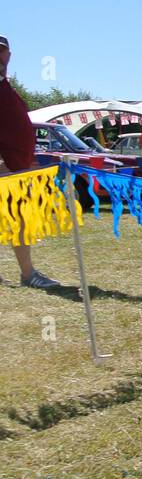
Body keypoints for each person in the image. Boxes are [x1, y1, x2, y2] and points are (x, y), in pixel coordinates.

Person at [0, 34, 61, 289]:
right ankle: (28, 274)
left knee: (15, 219)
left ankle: (27, 273)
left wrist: (30, 158)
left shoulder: (6, 87)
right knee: (19, 219)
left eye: (2, 52)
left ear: (9, 56)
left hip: (19, 167)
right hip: (7, 169)